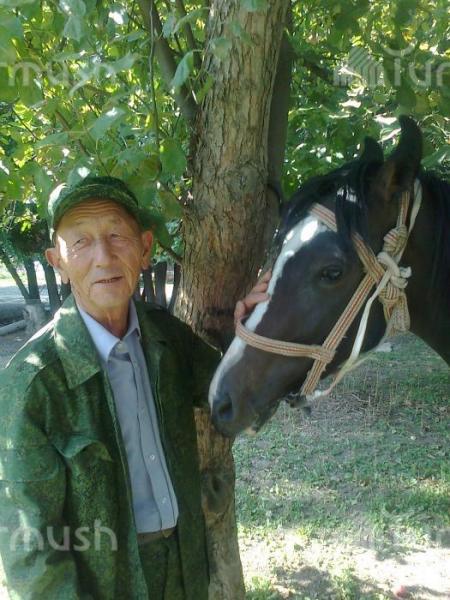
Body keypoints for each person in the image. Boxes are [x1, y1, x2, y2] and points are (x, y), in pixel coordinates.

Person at [0, 176, 270, 600]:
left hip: (185, 569)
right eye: (81, 242)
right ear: (58, 262)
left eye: (116, 236)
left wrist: (260, 333)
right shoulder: (35, 383)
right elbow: (29, 549)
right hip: (106, 584)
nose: (103, 257)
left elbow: (241, 401)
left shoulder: (166, 337)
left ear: (145, 249)